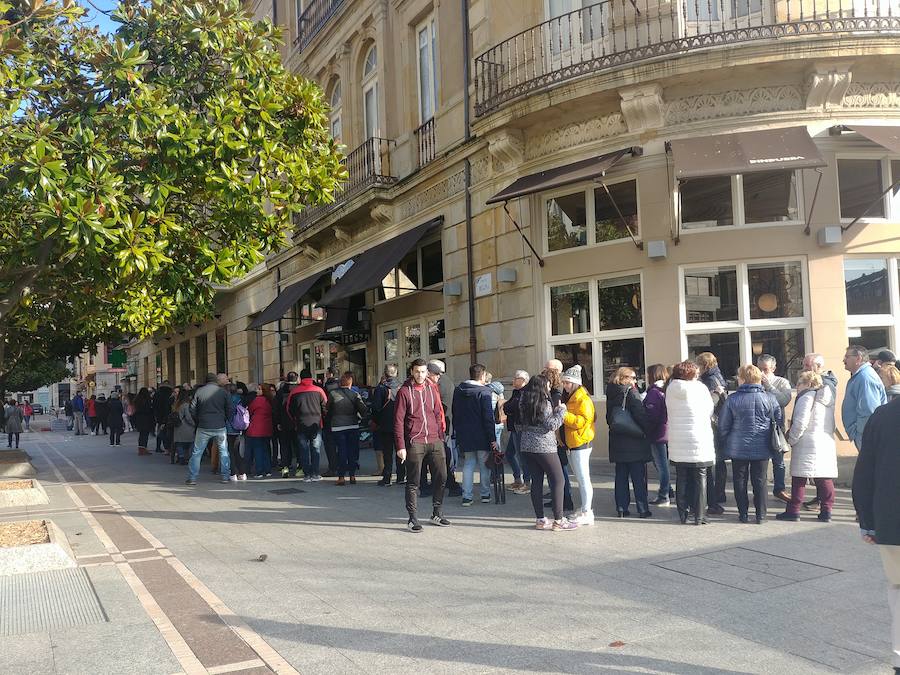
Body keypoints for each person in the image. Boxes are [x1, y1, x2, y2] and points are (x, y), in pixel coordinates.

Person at [852, 393, 900, 674]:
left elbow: (864, 473)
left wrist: (868, 521)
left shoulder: (882, 415)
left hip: (892, 521)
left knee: (899, 591)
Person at [718, 365, 781, 524]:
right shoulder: (770, 398)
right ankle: (761, 515)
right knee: (760, 480)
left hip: (738, 446)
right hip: (763, 444)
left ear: (743, 379)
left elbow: (724, 425)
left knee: (739, 480)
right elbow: (778, 421)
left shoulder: (732, 399)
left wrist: (726, 442)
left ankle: (743, 514)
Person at [394, 358, 449, 532]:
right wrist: (400, 446)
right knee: (413, 482)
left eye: (423, 371)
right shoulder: (404, 391)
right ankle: (412, 519)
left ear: (427, 372)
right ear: (412, 371)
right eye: (417, 371)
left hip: (435, 439)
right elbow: (398, 421)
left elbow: (438, 412)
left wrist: (441, 435)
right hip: (415, 441)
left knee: (442, 477)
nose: (420, 375)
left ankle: (437, 513)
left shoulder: (432, 388)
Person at [776, 371, 837, 522]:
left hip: (807, 442)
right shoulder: (828, 399)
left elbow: (800, 422)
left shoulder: (807, 397)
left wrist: (792, 439)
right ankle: (826, 511)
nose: (797, 387)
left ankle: (793, 510)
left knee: (799, 478)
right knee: (824, 479)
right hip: (825, 441)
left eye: (799, 383)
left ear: (808, 384)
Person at [518, 375, 577, 531]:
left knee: (536, 482)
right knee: (558, 480)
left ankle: (540, 519)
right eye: (548, 385)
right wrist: (562, 412)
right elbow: (551, 425)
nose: (550, 388)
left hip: (526, 445)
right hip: (544, 446)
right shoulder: (544, 403)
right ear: (542, 387)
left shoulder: (524, 401)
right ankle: (559, 520)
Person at [666, 361, 716, 525]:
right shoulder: (700, 388)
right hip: (699, 437)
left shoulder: (671, 388)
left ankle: (683, 513)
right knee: (700, 477)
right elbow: (709, 409)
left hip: (679, 439)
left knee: (682, 477)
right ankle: (700, 515)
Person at [606, 367, 652, 518]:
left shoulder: (611, 392)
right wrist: (647, 430)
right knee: (638, 477)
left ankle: (621, 508)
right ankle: (642, 509)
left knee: (621, 476)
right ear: (625, 378)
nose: (635, 380)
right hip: (634, 441)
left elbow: (609, 418)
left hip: (617, 440)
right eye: (633, 377)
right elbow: (640, 414)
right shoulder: (631, 392)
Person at [452, 363, 497, 507]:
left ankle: (467, 496)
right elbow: (488, 417)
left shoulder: (458, 390)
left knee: (468, 464)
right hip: (482, 433)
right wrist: (492, 438)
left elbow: (455, 412)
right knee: (484, 465)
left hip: (465, 433)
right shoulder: (484, 392)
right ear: (483, 375)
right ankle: (485, 494)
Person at [560, 365, 595, 525]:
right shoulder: (573, 397)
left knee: (583, 478)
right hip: (574, 443)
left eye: (567, 382)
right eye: (564, 382)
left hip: (581, 442)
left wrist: (564, 414)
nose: (565, 385)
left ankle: (587, 511)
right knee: (581, 479)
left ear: (575, 383)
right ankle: (585, 508)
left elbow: (581, 422)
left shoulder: (582, 399)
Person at [186, 373, 235, 485]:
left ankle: (192, 478)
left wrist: (198, 420)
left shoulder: (199, 391)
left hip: (203, 426)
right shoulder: (223, 392)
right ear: (216, 381)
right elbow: (230, 408)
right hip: (220, 426)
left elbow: (192, 409)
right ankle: (225, 476)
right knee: (223, 451)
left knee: (197, 452)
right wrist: (225, 419)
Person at [757, 354, 792, 503]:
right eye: (760, 369)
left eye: (765, 369)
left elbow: (784, 401)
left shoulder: (782, 382)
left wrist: (769, 386)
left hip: (776, 426)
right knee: (760, 462)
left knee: (779, 461)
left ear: (773, 368)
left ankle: (780, 488)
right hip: (758, 427)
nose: (763, 373)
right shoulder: (753, 381)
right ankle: (760, 490)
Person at [697, 352, 727, 516]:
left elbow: (711, 403)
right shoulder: (716, 375)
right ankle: (719, 492)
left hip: (713, 423)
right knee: (720, 460)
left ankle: (716, 493)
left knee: (716, 461)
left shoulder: (710, 379)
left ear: (704, 365)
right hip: (719, 422)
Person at [544, 360, 576, 514]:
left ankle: (566, 500)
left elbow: (557, 415)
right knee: (554, 471)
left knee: (560, 470)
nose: (545, 371)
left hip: (558, 437)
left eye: (548, 369)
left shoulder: (557, 391)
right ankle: (558, 498)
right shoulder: (552, 390)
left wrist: (558, 439)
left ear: (556, 371)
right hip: (553, 437)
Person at [841, 344, 887, 450]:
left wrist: (859, 433)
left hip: (866, 435)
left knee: (870, 465)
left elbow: (870, 411)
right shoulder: (860, 376)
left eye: (847, 357)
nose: (844, 360)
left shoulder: (865, 378)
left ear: (858, 358)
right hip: (863, 434)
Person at [287, 369, 328, 482]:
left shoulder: (294, 392)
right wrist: (322, 418)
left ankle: (307, 474)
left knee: (303, 450)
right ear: (311, 377)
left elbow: (289, 410)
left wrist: (295, 420)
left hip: (301, 425)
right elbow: (326, 407)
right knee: (316, 449)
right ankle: (315, 473)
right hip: (316, 424)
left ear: (301, 378)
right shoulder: (319, 390)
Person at [328, 372, 368, 485]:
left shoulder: (333, 394)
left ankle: (341, 477)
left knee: (341, 451)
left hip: (337, 427)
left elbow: (327, 408)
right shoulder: (355, 394)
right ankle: (352, 476)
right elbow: (363, 410)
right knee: (352, 451)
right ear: (350, 383)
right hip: (352, 425)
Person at [643, 364, 672, 507]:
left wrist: (646, 430)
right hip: (666, 431)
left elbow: (651, 415)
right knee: (663, 463)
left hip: (658, 433)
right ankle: (668, 491)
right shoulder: (667, 389)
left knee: (661, 465)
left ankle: (664, 495)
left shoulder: (654, 392)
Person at [371, 364, 403, 486]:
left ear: (385, 374)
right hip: (400, 424)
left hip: (385, 425)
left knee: (387, 452)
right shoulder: (402, 387)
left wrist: (376, 421)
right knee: (400, 450)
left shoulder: (381, 388)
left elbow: (376, 408)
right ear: (396, 373)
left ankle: (387, 477)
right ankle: (401, 476)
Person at [503, 370, 529, 494]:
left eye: (516, 378)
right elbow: (507, 407)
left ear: (523, 380)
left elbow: (513, 407)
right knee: (509, 454)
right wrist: (509, 408)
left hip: (521, 429)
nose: (513, 381)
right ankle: (517, 479)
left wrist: (509, 408)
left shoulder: (526, 393)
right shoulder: (516, 392)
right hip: (514, 427)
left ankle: (527, 482)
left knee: (522, 456)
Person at [274, 371, 299, 477]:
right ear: (297, 379)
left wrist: (278, 422)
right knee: (298, 445)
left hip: (284, 422)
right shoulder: (299, 389)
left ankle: (285, 467)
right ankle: (300, 467)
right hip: (297, 422)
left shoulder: (280, 391)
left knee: (285, 446)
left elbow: (276, 408)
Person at [247, 383, 274, 478]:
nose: (257, 391)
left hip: (256, 429)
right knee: (266, 449)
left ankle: (259, 471)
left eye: (259, 389)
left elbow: (250, 410)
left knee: (258, 450)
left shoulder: (257, 400)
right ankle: (268, 470)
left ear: (263, 391)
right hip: (267, 428)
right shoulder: (270, 400)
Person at [226, 381, 249, 482]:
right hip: (239, 427)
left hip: (228, 428)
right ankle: (242, 473)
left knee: (230, 451)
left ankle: (232, 473)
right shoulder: (241, 398)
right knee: (237, 451)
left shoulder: (226, 399)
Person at [321, 368, 340, 477]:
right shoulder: (341, 385)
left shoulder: (328, 386)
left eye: (327, 373)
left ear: (331, 374)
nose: (326, 375)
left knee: (330, 445)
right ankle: (342, 465)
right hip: (342, 419)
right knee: (341, 444)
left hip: (330, 419)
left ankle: (332, 467)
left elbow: (325, 403)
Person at [172, 388, 196, 466]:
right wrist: (194, 424)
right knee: (191, 442)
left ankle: (181, 457)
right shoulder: (186, 405)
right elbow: (188, 417)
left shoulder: (176, 404)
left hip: (177, 426)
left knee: (179, 443)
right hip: (186, 427)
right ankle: (190, 457)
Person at [133, 388, 156, 456]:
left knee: (141, 434)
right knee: (145, 434)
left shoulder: (137, 400)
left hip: (139, 419)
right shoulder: (147, 400)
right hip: (146, 419)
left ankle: (141, 448)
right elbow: (149, 409)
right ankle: (144, 448)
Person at [153, 381, 174, 453]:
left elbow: (154, 406)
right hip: (168, 414)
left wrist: (156, 415)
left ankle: (158, 447)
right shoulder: (170, 393)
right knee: (168, 432)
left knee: (160, 431)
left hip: (159, 415)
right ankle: (167, 447)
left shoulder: (157, 393)